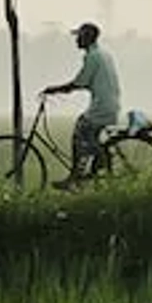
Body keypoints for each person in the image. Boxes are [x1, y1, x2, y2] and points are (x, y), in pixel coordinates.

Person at [42, 21, 121, 189]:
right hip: (110, 104)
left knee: (80, 131)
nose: (76, 39)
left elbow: (79, 83)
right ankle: (98, 159)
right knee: (88, 137)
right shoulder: (103, 54)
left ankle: (75, 176)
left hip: (102, 107)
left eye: (79, 36)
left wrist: (54, 89)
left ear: (87, 37)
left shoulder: (93, 57)